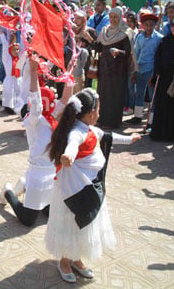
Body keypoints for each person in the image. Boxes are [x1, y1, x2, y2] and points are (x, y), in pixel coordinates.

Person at [46, 88, 140, 283]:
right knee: (71, 223)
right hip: (73, 189)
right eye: (98, 110)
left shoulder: (91, 129)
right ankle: (64, 260)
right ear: (90, 114)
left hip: (89, 187)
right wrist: (69, 156)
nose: (99, 113)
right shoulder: (76, 132)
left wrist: (130, 139)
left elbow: (108, 136)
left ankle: (76, 257)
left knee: (84, 225)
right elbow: (72, 144)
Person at [0, 59, 71, 226]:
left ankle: (23, 184)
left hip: (52, 173)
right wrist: (32, 72)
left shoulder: (52, 117)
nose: (53, 104)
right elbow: (37, 103)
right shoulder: (33, 120)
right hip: (37, 175)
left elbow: (66, 99)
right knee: (28, 220)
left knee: (50, 214)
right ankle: (9, 191)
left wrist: (69, 74)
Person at [93, 7, 132, 129]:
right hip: (104, 69)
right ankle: (102, 119)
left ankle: (113, 122)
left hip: (118, 71)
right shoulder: (104, 31)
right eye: (111, 17)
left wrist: (118, 52)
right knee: (103, 94)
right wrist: (89, 39)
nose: (113, 19)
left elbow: (128, 52)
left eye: (115, 17)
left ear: (120, 17)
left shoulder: (125, 32)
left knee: (114, 95)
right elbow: (98, 48)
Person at [125, 13, 163, 125]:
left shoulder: (159, 38)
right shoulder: (139, 36)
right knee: (139, 93)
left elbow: (159, 56)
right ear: (143, 25)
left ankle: (151, 121)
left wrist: (155, 73)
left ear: (155, 25)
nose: (149, 27)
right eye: (146, 25)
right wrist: (134, 71)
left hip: (151, 70)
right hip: (139, 68)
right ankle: (137, 116)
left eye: (151, 25)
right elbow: (136, 54)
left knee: (152, 95)